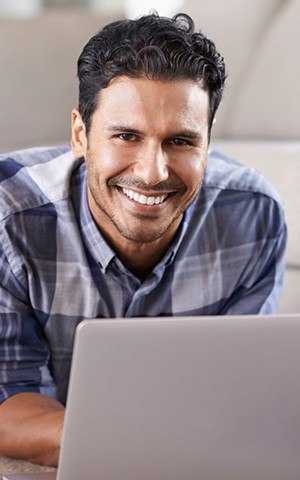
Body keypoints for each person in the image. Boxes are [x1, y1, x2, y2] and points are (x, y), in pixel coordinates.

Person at [0, 12, 286, 467]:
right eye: (126, 136)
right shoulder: (9, 219)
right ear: (80, 134)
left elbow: (236, 393)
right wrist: (156, 440)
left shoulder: (253, 216)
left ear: (209, 143)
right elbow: (7, 404)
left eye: (181, 141)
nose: (153, 172)